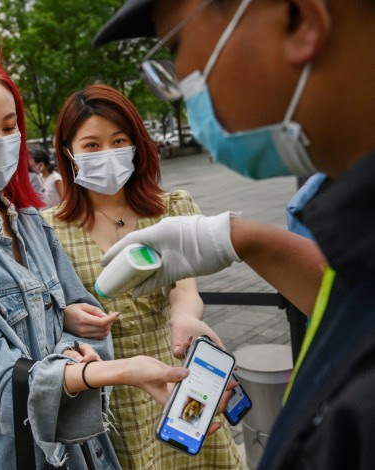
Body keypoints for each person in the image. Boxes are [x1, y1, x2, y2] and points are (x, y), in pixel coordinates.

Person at [0, 55, 228, 469]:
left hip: (83, 448)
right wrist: (106, 371)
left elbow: (87, 323)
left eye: (8, 127)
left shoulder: (29, 222)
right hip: (13, 456)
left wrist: (74, 333)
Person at [94, 1, 375, 469]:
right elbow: (354, 305)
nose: (181, 85)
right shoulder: (345, 219)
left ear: (298, 20)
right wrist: (239, 238)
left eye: (177, 46)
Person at [43, 84, 242, 469]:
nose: (108, 154)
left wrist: (185, 317)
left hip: (174, 372)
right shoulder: (47, 229)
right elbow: (44, 311)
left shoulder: (172, 208)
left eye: (119, 140)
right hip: (108, 390)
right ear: (68, 154)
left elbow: (184, 287)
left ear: (137, 143)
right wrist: (65, 315)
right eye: (92, 145)